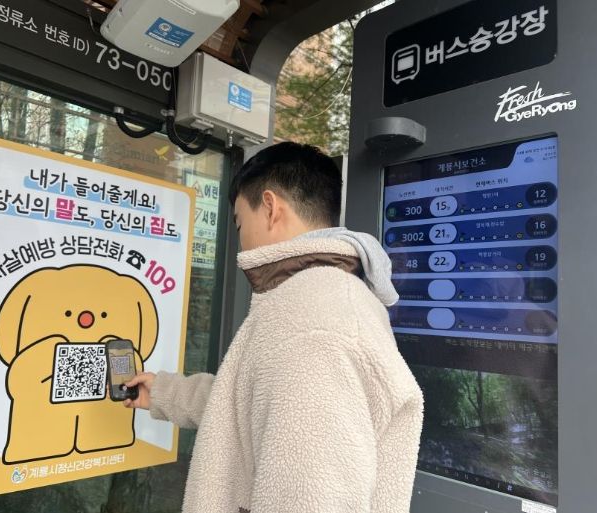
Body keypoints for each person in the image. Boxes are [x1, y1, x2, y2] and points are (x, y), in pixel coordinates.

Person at [124, 142, 424, 513]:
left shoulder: (314, 321)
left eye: (239, 222)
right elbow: (250, 403)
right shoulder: (322, 299)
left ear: (270, 207)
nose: (240, 240)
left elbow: (310, 499)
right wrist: (165, 393)